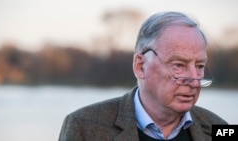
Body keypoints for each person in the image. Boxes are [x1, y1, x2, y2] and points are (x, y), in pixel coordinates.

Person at [58, 11, 228, 141]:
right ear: (140, 66)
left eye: (199, 66)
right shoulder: (83, 126)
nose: (194, 80)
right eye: (178, 65)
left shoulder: (221, 129)